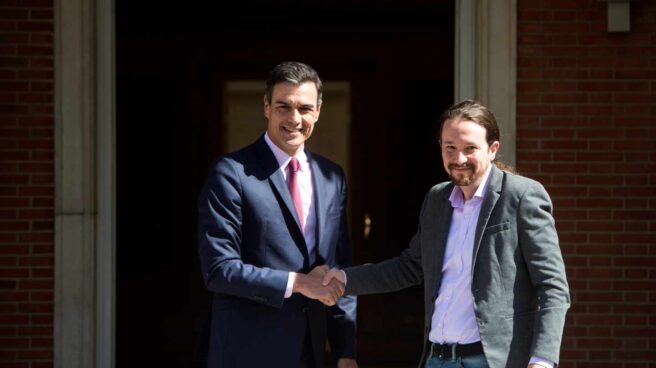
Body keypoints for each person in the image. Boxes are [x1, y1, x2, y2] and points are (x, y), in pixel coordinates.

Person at [323, 100, 570, 368]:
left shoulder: (521, 196)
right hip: (436, 359)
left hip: (491, 360)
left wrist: (543, 359)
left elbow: (552, 285)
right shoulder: (437, 199)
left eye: (470, 149)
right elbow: (410, 267)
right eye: (450, 148)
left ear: (492, 149)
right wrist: (344, 279)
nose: (459, 159)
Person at [198, 61, 357, 368]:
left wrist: (345, 351)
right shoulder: (231, 173)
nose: (294, 119)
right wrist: (298, 283)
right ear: (267, 106)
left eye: (305, 108)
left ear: (318, 112)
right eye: (284, 106)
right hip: (247, 351)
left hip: (310, 351)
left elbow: (339, 267)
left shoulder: (331, 177)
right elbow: (219, 269)